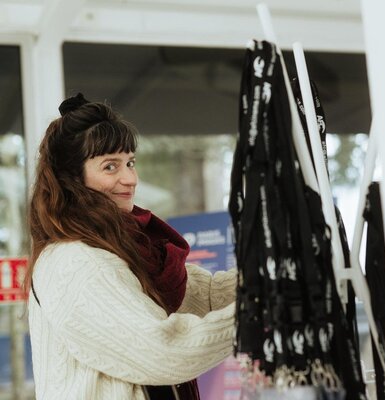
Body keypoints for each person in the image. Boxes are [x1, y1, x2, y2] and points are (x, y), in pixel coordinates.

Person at [26, 93, 237, 400]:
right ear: (72, 179)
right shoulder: (77, 262)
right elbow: (164, 350)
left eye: (130, 162)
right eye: (110, 167)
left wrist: (276, 280)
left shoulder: (124, 249)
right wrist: (257, 313)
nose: (130, 178)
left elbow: (204, 295)